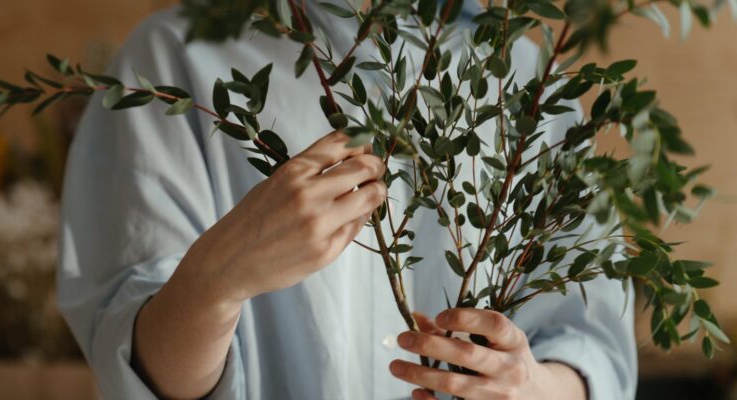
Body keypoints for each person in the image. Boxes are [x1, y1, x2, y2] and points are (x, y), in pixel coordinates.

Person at [57, 1, 637, 399]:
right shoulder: (170, 63)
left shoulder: (532, 83)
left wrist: (528, 385)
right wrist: (216, 280)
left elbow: (594, 348)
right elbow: (135, 372)